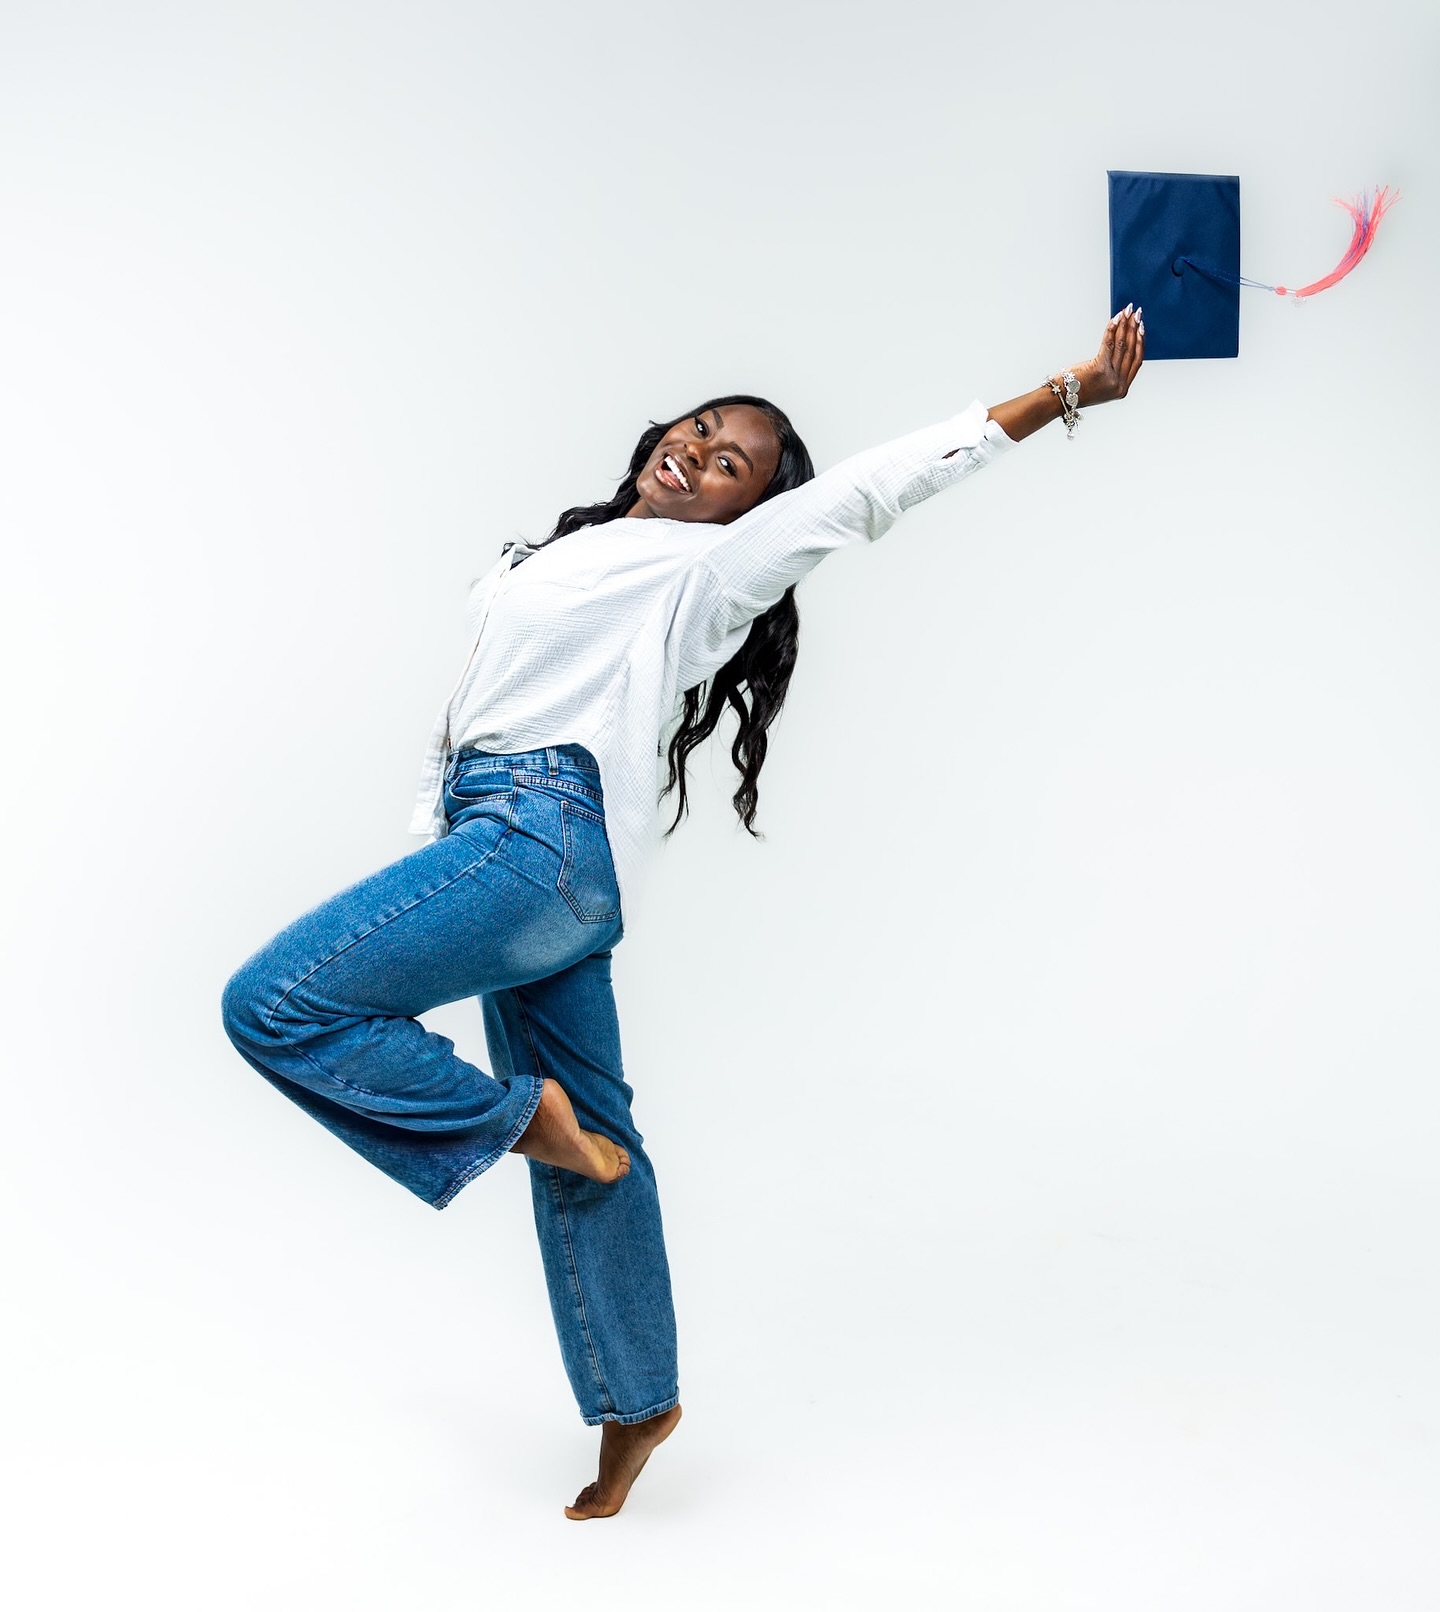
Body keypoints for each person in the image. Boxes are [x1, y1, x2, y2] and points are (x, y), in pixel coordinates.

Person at [220, 306, 1147, 1520]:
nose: (699, 455)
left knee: (276, 1004)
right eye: (699, 431)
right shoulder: (575, 551)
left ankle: (511, 1121)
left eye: (730, 466)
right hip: (538, 866)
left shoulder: (706, 571)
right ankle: (636, 1400)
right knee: (599, 1148)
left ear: (747, 512)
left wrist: (1060, 394)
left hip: (533, 840)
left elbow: (872, 489)